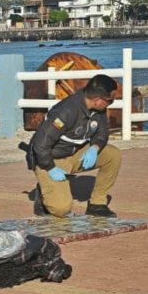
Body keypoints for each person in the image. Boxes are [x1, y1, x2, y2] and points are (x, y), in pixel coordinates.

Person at [29, 74, 122, 218]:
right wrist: (50, 167)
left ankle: (97, 204)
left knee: (113, 155)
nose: (111, 104)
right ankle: (43, 195)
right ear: (98, 100)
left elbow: (102, 133)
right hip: (50, 158)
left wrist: (95, 148)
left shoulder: (98, 110)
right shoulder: (66, 111)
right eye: (110, 100)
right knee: (61, 209)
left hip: (74, 153)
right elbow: (40, 144)